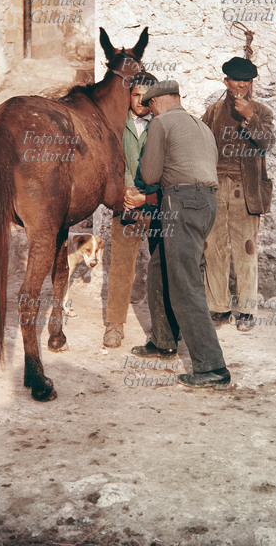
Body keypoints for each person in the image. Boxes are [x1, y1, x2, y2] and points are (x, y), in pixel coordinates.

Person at [131, 80, 231, 390]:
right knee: (159, 267)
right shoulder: (200, 126)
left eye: (151, 105)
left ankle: (212, 366)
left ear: (159, 102)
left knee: (185, 283)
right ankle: (163, 342)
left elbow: (149, 175)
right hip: (206, 203)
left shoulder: (161, 122)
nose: (150, 110)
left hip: (179, 203)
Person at [202, 57, 275, 332]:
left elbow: (267, 143)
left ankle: (246, 310)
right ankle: (218, 307)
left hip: (246, 192)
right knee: (214, 248)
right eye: (236, 80)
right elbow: (201, 146)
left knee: (246, 250)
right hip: (216, 189)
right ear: (226, 82)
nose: (241, 85)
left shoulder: (263, 113)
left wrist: (250, 118)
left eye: (246, 81)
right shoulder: (212, 111)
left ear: (252, 84)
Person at [103, 72, 159, 348]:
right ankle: (115, 324)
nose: (140, 101)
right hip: (125, 203)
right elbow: (112, 162)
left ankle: (163, 327)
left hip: (155, 205)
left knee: (162, 266)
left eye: (146, 95)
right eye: (135, 94)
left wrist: (148, 196)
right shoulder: (116, 124)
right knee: (121, 266)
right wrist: (124, 191)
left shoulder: (162, 125)